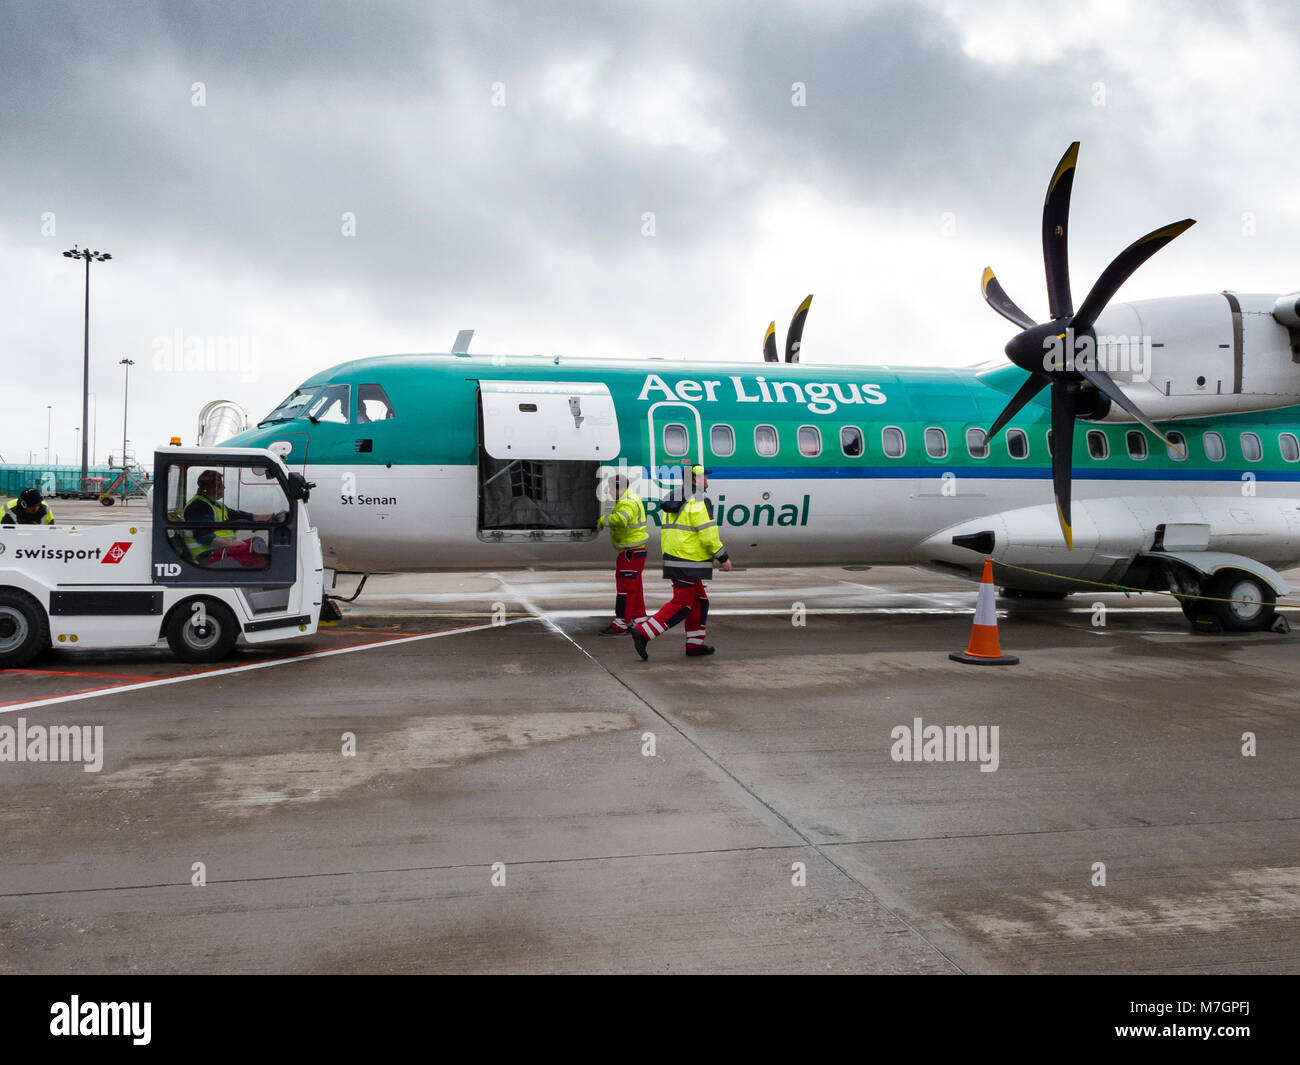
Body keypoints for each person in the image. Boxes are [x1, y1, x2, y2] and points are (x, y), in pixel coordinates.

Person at [632, 465, 731, 659]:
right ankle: (643, 632)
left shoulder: (675, 497)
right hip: (690, 561)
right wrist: (723, 557)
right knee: (682, 605)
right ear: (694, 480)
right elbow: (707, 533)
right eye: (704, 477)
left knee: (700, 602)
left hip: (676, 558)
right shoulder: (699, 500)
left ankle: (694, 645)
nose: (707, 480)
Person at [182, 470, 281, 569]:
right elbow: (204, 537)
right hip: (207, 555)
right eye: (220, 484)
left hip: (218, 549)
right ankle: (271, 576)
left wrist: (274, 516)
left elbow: (245, 516)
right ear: (209, 487)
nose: (224, 487)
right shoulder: (198, 506)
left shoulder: (217, 505)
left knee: (256, 542)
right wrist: (234, 543)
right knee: (253, 550)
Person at [596, 473, 648, 635]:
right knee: (635, 587)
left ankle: (621, 623)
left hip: (629, 552)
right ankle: (639, 619)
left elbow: (621, 520)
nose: (610, 492)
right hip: (635, 551)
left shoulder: (627, 502)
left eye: (610, 488)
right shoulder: (631, 499)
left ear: (618, 488)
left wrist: (602, 520)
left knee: (626, 588)